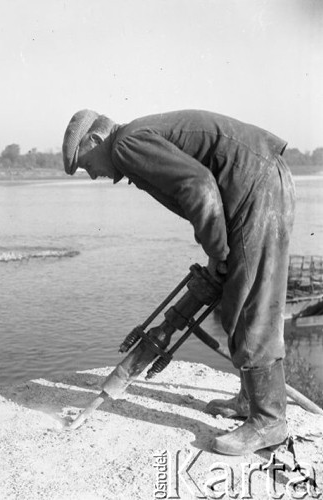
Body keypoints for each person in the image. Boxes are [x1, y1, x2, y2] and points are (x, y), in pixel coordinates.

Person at [62, 109, 295, 456]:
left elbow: (199, 188)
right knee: (241, 300)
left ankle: (269, 421)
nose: (92, 174)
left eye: (85, 163)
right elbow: (203, 187)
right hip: (259, 182)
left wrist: (218, 253)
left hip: (256, 188)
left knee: (251, 304)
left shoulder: (127, 145)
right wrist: (219, 251)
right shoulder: (136, 140)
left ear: (96, 140)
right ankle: (251, 401)